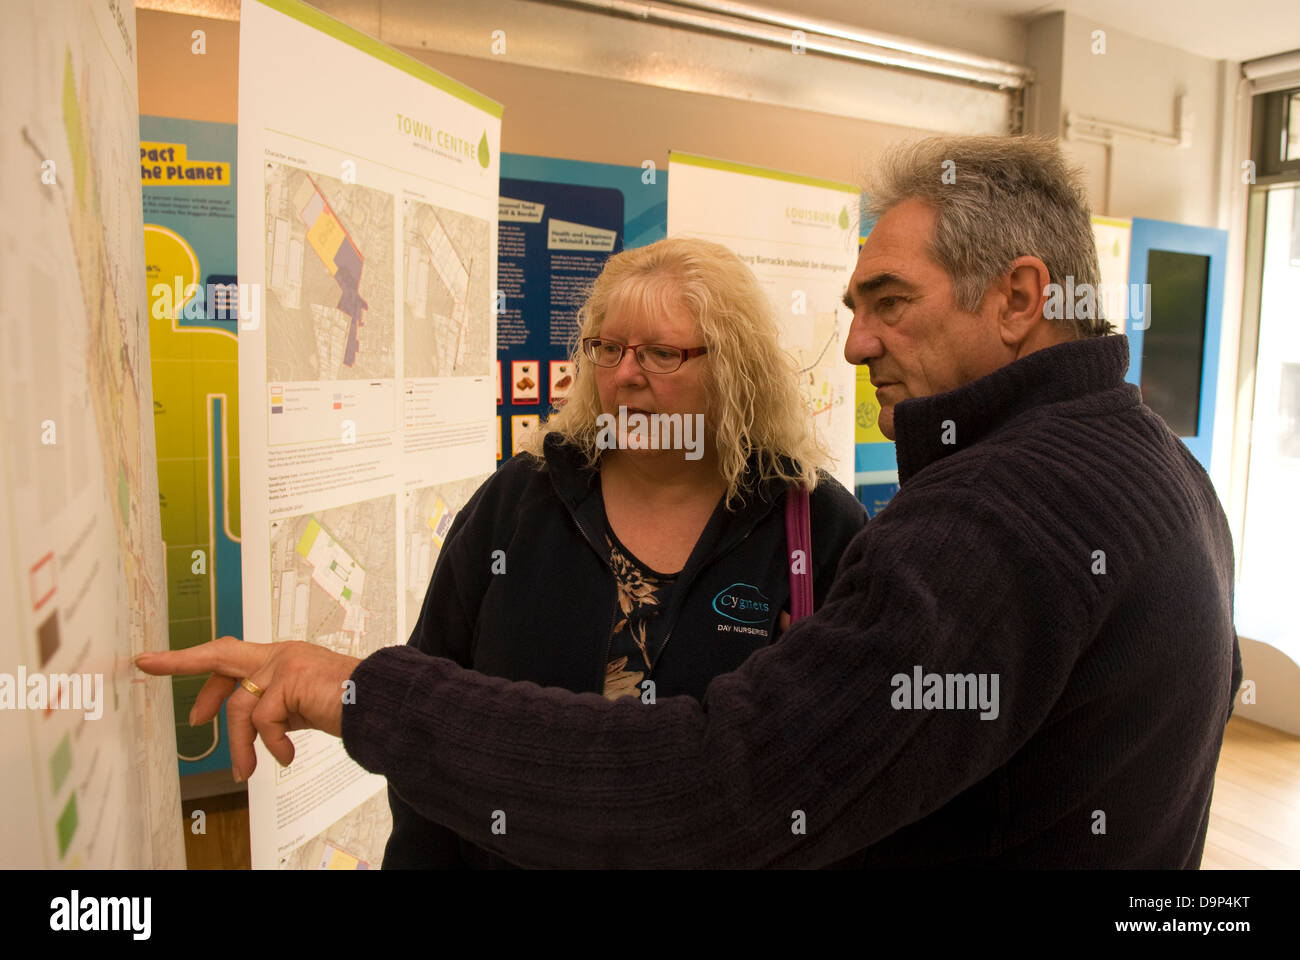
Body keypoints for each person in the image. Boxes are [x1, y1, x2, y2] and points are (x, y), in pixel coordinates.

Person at [139, 135, 1242, 868]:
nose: (856, 341)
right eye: (606, 347)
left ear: (1019, 298)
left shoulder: (981, 517)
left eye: (890, 301)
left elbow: (724, 781)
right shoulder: (1156, 466)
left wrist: (354, 691)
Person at [388, 236, 866, 867]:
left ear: (734, 367)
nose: (624, 375)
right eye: (607, 348)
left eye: (663, 354)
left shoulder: (814, 521)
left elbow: (858, 757)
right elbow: (427, 707)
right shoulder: (521, 500)